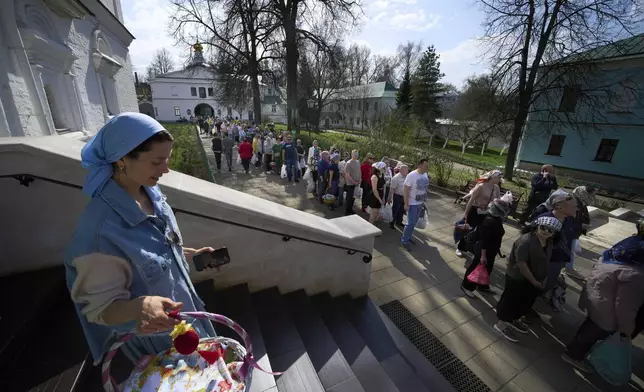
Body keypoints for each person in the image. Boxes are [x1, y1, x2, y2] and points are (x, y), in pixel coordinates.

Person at [64, 113, 216, 367]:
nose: (166, 169)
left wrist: (186, 254)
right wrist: (140, 306)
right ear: (122, 159)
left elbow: (152, 251)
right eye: (157, 161)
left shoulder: (150, 192)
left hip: (188, 322)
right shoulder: (98, 234)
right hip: (160, 345)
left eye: (166, 160)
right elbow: (100, 310)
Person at [562, 220, 644, 373]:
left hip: (597, 296)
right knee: (591, 334)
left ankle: (573, 351)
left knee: (588, 329)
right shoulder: (636, 274)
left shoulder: (626, 247)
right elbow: (625, 306)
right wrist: (627, 328)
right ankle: (573, 355)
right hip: (607, 310)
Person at [494, 216, 561, 342]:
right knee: (510, 301)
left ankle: (512, 319)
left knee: (523, 302)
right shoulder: (525, 241)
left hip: (534, 279)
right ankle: (501, 324)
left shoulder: (549, 242)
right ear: (536, 226)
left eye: (550, 230)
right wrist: (534, 282)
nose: (546, 231)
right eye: (543, 227)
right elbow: (521, 265)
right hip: (518, 278)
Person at [461, 193, 513, 298]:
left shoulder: (495, 218)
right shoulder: (489, 222)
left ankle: (482, 285)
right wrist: (483, 256)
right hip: (483, 250)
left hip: (491, 249)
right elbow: (485, 241)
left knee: (488, 267)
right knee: (476, 267)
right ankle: (466, 286)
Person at [457, 170, 502, 257]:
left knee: (481, 232)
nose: (500, 180)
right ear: (493, 177)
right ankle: (460, 247)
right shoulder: (481, 186)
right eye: (498, 177)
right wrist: (466, 213)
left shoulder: (496, 188)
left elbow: (498, 200)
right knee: (468, 229)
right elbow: (471, 200)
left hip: (487, 212)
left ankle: (471, 247)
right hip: (475, 210)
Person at [566, 186, 596, 279]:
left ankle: (567, 268)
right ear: (585, 194)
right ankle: (568, 269)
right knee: (569, 251)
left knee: (569, 251)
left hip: (573, 231)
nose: (593, 197)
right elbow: (572, 219)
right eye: (592, 195)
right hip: (570, 232)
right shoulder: (576, 204)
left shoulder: (580, 202)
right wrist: (581, 225)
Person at [401, 158, 430, 250]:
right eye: (425, 165)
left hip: (420, 203)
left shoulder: (425, 174)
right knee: (410, 223)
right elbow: (405, 190)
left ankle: (408, 237)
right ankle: (404, 241)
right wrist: (406, 204)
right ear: (420, 165)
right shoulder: (411, 175)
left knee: (414, 222)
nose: (427, 167)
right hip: (412, 203)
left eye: (427, 166)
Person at [388, 164, 409, 229]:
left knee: (402, 210)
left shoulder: (407, 177)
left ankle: (399, 222)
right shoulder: (396, 178)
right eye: (406, 170)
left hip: (404, 196)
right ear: (401, 170)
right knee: (395, 209)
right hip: (397, 196)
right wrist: (390, 198)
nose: (408, 171)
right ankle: (392, 222)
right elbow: (392, 189)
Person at [344, 150, 362, 216]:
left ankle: (350, 209)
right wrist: (354, 182)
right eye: (355, 154)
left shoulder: (358, 162)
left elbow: (359, 171)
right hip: (350, 184)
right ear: (352, 155)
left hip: (357, 183)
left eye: (357, 154)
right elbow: (347, 174)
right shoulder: (349, 163)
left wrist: (360, 179)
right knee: (349, 198)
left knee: (354, 197)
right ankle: (347, 211)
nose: (356, 156)